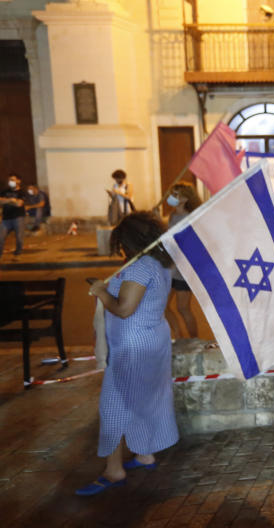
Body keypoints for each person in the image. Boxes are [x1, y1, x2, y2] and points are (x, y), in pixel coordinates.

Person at [78, 211, 179, 496]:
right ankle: (145, 454)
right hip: (153, 337)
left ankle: (113, 471)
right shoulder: (159, 263)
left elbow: (123, 309)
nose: (120, 247)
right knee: (146, 397)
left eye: (121, 241)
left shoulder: (139, 268)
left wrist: (101, 291)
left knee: (113, 405)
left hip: (134, 346)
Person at [166, 182, 201, 338]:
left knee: (183, 307)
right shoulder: (173, 215)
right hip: (170, 267)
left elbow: (191, 244)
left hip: (183, 269)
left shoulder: (190, 218)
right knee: (162, 306)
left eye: (176, 194)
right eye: (172, 193)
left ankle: (194, 340)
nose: (172, 197)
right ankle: (178, 337)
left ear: (185, 199)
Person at [0, 173, 27, 259]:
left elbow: (19, 204)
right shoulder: (5, 191)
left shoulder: (22, 192)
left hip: (18, 217)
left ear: (18, 181)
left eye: (13, 180)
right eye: (10, 180)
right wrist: (11, 200)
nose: (10, 182)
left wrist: (6, 201)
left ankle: (18, 254)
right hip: (6, 218)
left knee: (19, 238)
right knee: (0, 237)